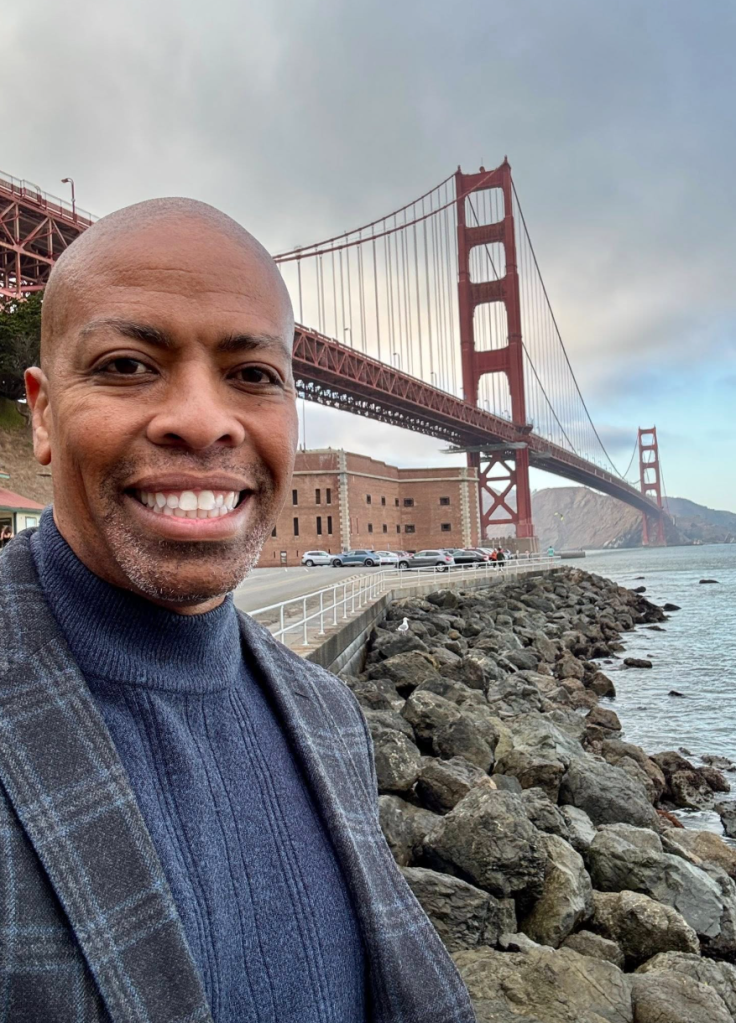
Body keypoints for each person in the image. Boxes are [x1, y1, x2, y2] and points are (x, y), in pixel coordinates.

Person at [0, 200, 474, 1023]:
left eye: (253, 375)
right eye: (126, 364)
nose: (202, 421)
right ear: (42, 412)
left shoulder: (330, 715)